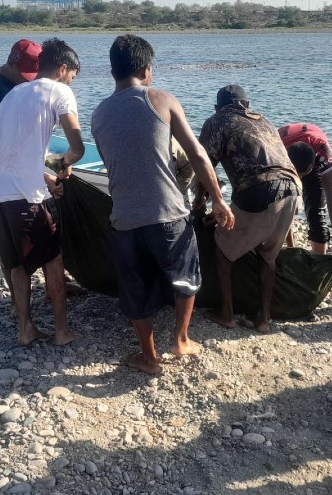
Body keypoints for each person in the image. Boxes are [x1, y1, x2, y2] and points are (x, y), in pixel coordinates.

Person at [91, 34, 233, 375]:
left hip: (123, 217)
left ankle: (148, 357)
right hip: (169, 214)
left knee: (135, 290)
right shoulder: (161, 99)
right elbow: (198, 154)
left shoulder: (98, 115)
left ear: (113, 72)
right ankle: (180, 340)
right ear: (146, 69)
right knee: (185, 278)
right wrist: (218, 199)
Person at [0, 38, 84, 347]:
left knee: (16, 264)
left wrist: (45, 173)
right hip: (26, 196)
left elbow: (9, 152)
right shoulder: (61, 91)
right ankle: (62, 331)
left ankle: (26, 329)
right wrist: (64, 163)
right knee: (53, 259)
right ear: (63, 69)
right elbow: (77, 148)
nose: (71, 82)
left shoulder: (11, 95)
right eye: (72, 76)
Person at [198, 84, 301, 333]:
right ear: (247, 105)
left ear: (217, 107)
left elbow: (203, 167)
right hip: (295, 189)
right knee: (268, 256)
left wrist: (198, 205)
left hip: (259, 189)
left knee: (223, 250)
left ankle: (227, 314)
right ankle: (263, 319)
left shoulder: (217, 121)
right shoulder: (264, 120)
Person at [0, 39, 43, 197]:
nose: (27, 80)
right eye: (25, 75)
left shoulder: (5, 79)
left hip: (4, 170)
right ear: (11, 62)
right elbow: (7, 145)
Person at [278, 123, 332, 262]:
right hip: (284, 152)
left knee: (316, 210)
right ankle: (289, 251)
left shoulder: (323, 154)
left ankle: (317, 261)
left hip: (311, 150)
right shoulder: (274, 151)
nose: (300, 179)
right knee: (278, 205)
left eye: (303, 175)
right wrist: (292, 249)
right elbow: (284, 207)